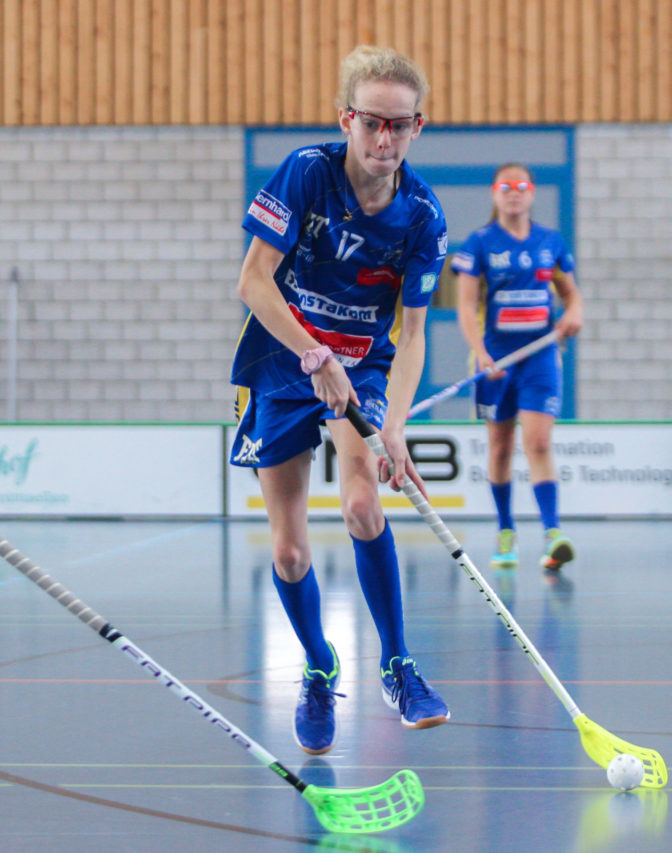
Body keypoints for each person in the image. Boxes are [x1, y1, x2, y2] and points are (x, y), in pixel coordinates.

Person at [229, 45, 450, 756]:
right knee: (291, 553)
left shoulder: (423, 217)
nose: (384, 138)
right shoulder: (305, 173)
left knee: (362, 504)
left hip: (366, 364)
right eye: (372, 122)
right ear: (346, 119)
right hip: (283, 358)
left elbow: (412, 333)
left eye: (400, 125)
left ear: (418, 128)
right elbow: (254, 282)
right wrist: (313, 354)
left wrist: (396, 421)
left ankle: (397, 664)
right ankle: (320, 667)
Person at [451, 163, 584, 572]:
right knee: (501, 447)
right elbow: (466, 306)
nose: (514, 193)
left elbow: (571, 295)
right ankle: (505, 531)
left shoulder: (550, 242)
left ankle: (552, 534)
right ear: (494, 194)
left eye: (521, 186)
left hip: (540, 357)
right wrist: (480, 352)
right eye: (506, 187)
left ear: (532, 193)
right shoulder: (479, 244)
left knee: (539, 443)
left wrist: (573, 314)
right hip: (497, 360)